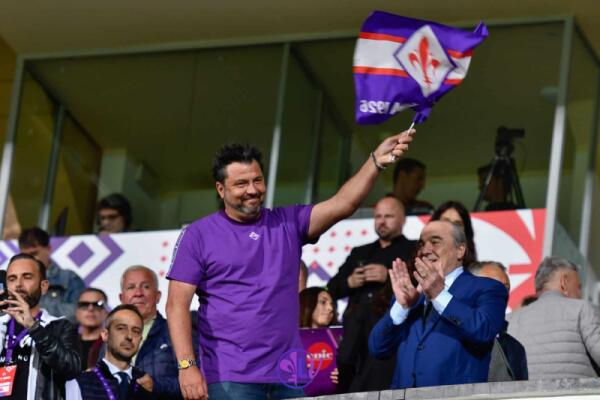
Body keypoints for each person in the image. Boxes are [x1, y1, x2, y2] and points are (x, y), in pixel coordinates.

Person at [166, 130, 414, 400]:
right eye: (241, 183)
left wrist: (374, 162)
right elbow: (177, 305)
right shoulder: (198, 235)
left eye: (257, 180)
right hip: (229, 377)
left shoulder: (288, 222)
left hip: (289, 375)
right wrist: (186, 366)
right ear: (220, 189)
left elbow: (344, 204)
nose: (252, 190)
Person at [368, 220, 508, 389]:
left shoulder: (488, 288)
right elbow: (378, 348)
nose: (425, 250)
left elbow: (484, 331)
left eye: (435, 242)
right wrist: (402, 307)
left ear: (460, 250)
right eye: (421, 244)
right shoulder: (412, 295)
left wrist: (439, 295)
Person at [327, 195, 416, 393]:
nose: (382, 221)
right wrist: (350, 282)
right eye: (378, 216)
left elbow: (419, 287)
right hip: (353, 335)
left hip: (389, 332)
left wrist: (388, 276)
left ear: (403, 219)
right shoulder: (360, 252)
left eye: (388, 216)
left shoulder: (412, 249)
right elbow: (331, 288)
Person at [0, 253, 81, 399]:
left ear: (44, 287)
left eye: (27, 277)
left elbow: (72, 368)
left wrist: (34, 328)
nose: (18, 284)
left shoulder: (60, 326)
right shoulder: (1, 325)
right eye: (12, 279)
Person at [507, 256, 600, 380]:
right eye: (578, 287)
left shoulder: (510, 320)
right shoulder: (582, 309)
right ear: (564, 282)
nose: (581, 294)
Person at [65, 304, 153, 400]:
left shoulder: (146, 384)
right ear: (105, 335)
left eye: (135, 331)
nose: (129, 336)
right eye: (121, 328)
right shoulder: (79, 383)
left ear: (140, 340)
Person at [119, 265, 182, 399]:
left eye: (146, 287)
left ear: (158, 296)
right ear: (121, 298)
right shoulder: (110, 337)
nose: (138, 293)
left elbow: (195, 382)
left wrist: (155, 386)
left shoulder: (176, 332)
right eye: (131, 287)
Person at [469, 261, 528, 381]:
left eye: (506, 288)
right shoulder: (447, 336)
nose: (502, 293)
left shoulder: (515, 349)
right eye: (493, 286)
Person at [18, 227, 86, 323]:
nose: (30, 260)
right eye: (25, 256)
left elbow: (79, 313)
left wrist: (33, 310)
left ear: (48, 249)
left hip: (56, 332)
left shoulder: (69, 278)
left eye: (34, 253)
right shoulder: (14, 282)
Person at [430, 201, 477, 267]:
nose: (451, 228)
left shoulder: (474, 270)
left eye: (457, 224)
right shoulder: (418, 261)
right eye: (445, 222)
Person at [77, 288, 109, 370]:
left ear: (106, 312)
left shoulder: (112, 345)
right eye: (84, 304)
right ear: (77, 312)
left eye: (97, 305)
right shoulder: (65, 345)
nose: (90, 309)